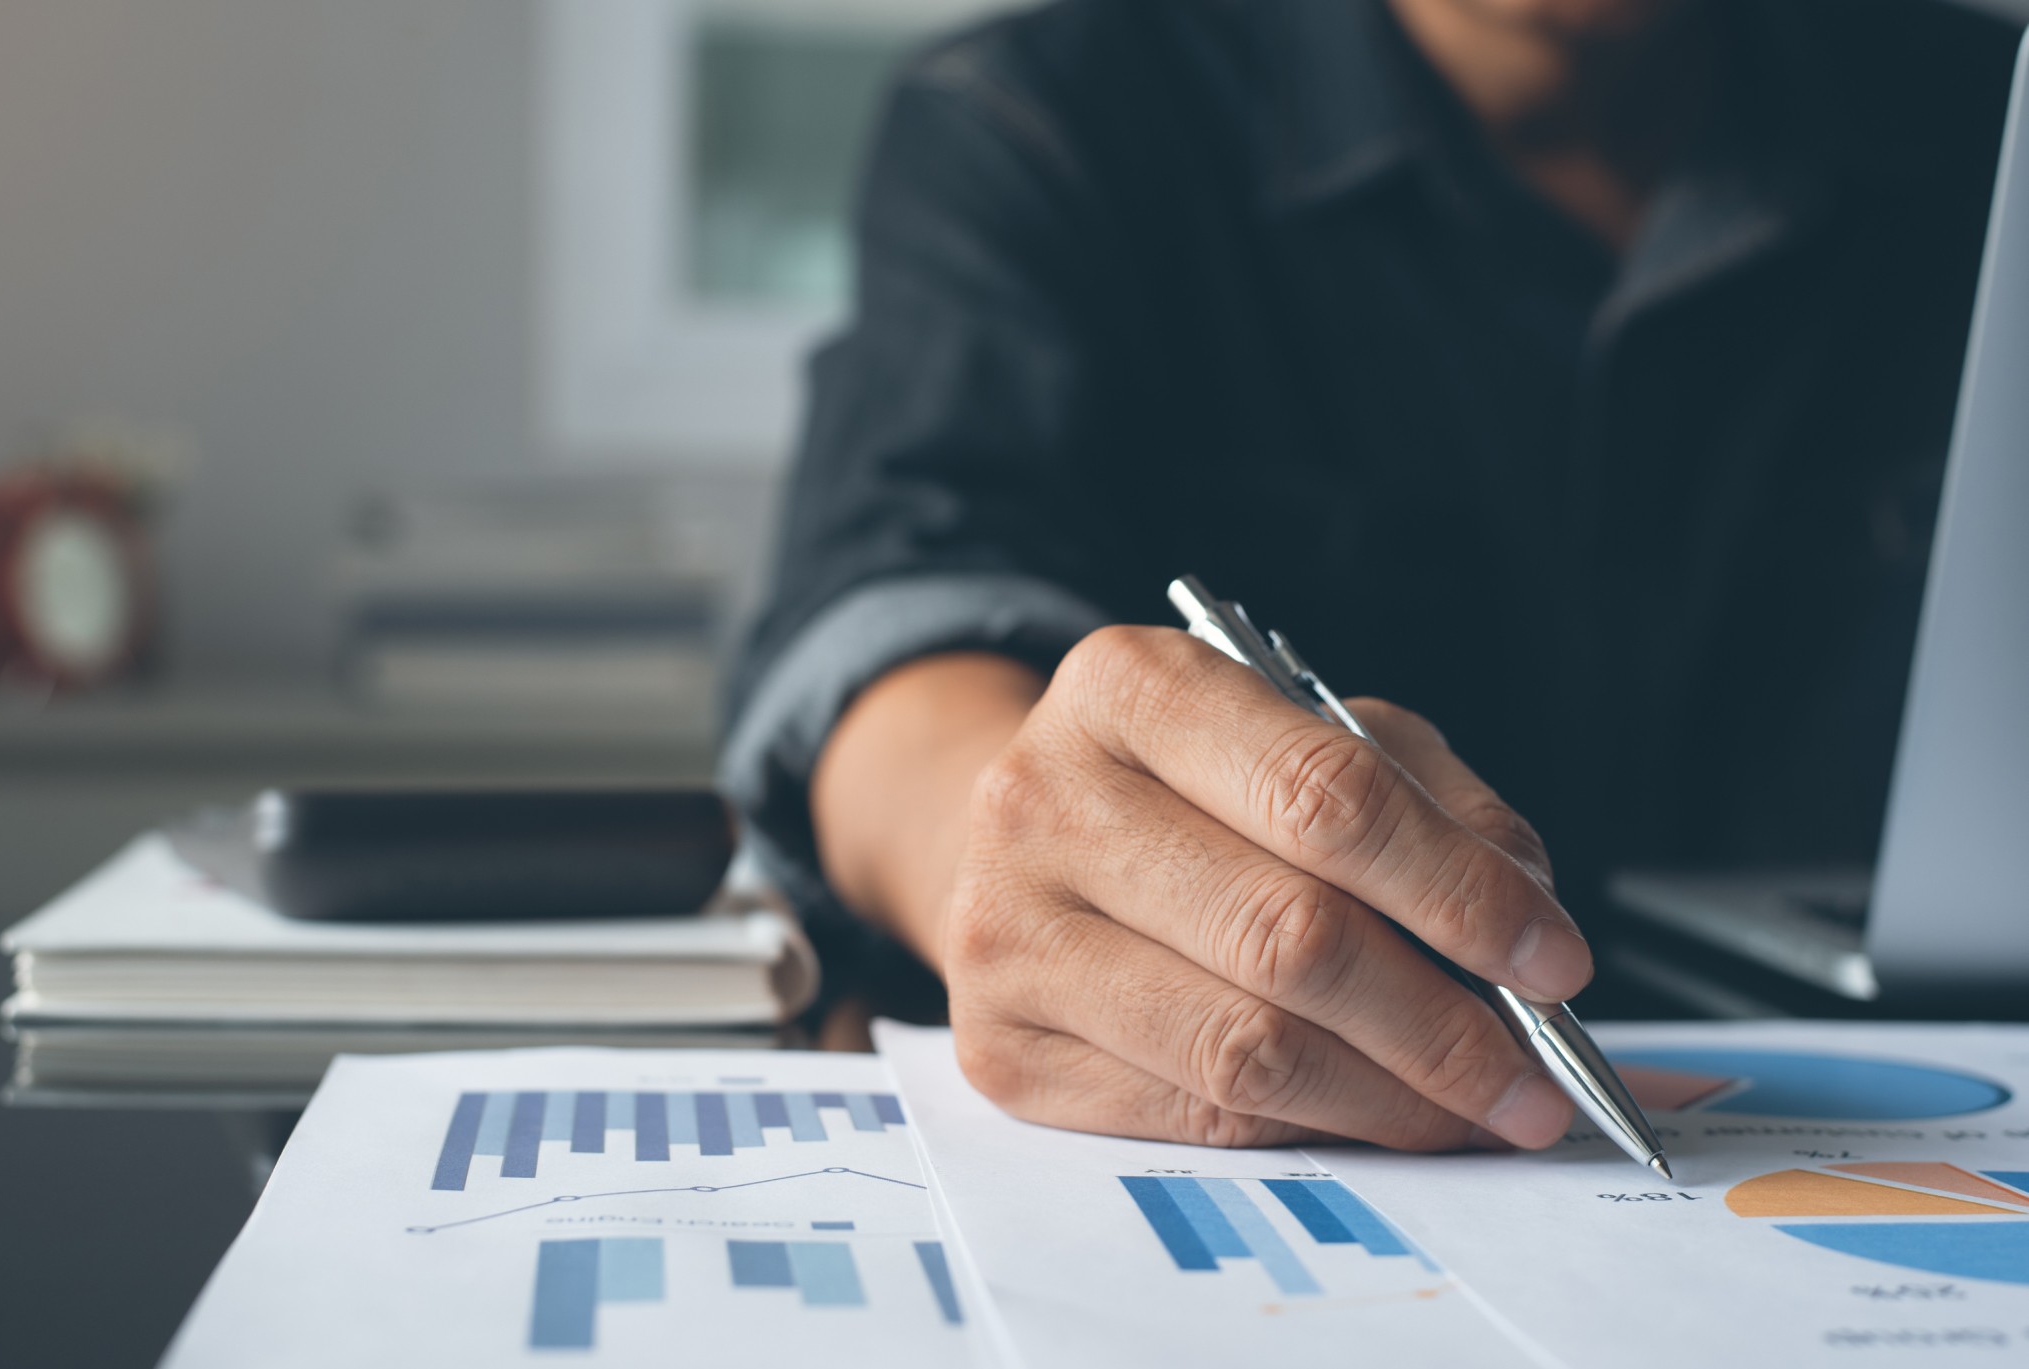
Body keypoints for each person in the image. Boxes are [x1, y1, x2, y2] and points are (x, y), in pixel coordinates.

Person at [721, 0, 2020, 1151]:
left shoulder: (1989, 115)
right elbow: (894, 614)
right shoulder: (1042, 117)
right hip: (1328, 1141)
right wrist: (996, 847)